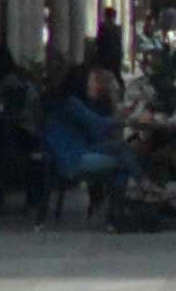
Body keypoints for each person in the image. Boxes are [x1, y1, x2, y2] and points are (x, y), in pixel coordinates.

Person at [41, 68, 132, 208]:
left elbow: (96, 134)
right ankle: (117, 212)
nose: (94, 86)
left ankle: (142, 187)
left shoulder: (76, 103)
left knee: (123, 147)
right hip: (72, 158)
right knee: (123, 163)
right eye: (91, 82)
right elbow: (96, 125)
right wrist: (122, 120)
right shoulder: (72, 104)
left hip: (76, 150)